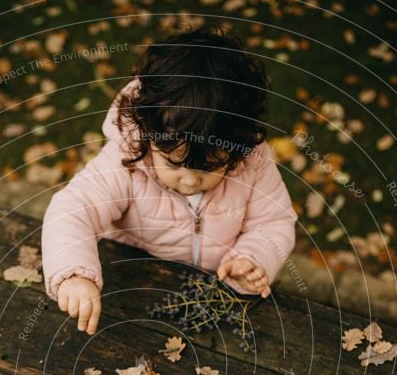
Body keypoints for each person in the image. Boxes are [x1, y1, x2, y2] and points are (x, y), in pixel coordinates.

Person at [42, 26, 298, 335]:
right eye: (174, 164)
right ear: (149, 134)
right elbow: (73, 208)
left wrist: (253, 258)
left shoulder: (252, 163)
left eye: (208, 170)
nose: (189, 182)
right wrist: (74, 273)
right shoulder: (127, 160)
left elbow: (274, 223)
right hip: (131, 282)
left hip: (207, 297)